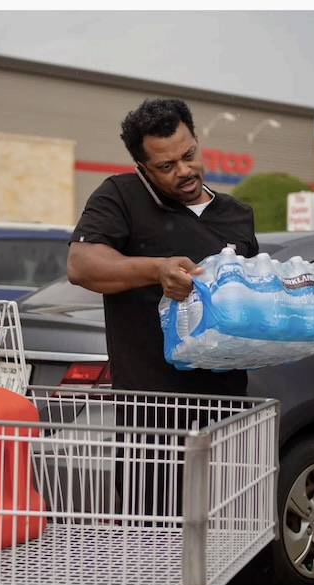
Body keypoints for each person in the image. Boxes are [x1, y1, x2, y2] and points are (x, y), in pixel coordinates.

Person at [66, 97, 259, 520]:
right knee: (155, 544)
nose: (184, 171)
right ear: (143, 167)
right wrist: (157, 270)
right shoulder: (121, 196)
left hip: (227, 413)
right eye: (166, 166)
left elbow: (246, 302)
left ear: (195, 140)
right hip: (153, 418)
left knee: (227, 539)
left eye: (188, 155)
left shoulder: (237, 215)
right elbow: (80, 265)